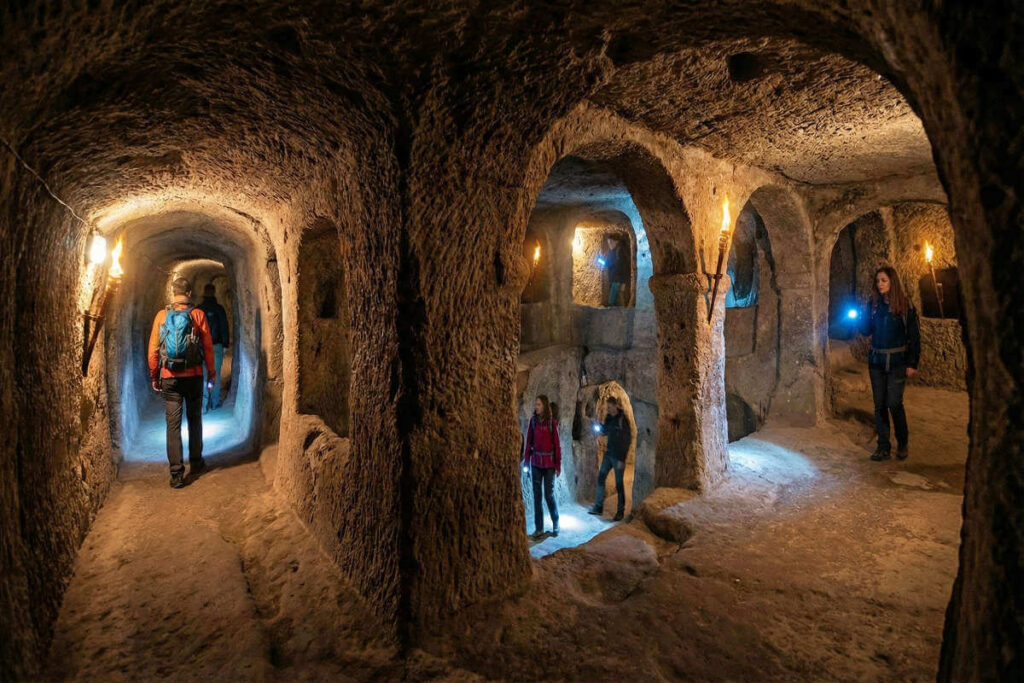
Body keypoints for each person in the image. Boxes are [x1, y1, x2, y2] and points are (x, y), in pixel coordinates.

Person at [149, 277, 216, 488]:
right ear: (189, 294)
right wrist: (212, 374)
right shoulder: (198, 315)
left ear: (172, 293)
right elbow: (207, 348)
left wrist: (154, 376)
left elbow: (152, 350)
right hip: (194, 375)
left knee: (173, 425)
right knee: (195, 420)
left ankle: (177, 473)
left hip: (170, 377)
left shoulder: (162, 316)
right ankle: (196, 462)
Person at [861, 266, 920, 462]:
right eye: (878, 281)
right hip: (876, 360)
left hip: (896, 362)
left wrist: (912, 363)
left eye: (884, 280)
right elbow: (866, 330)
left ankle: (902, 442)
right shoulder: (874, 305)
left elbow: (914, 336)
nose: (880, 284)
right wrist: (863, 315)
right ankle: (883, 446)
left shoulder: (905, 306)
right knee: (879, 405)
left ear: (892, 282)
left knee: (894, 403)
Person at [587, 396, 632, 520]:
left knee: (619, 484)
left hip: (618, 457)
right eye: (607, 407)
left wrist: (623, 459)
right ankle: (598, 507)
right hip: (609, 454)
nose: (608, 409)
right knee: (601, 478)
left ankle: (620, 511)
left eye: (610, 407)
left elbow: (628, 439)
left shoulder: (622, 419)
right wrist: (597, 426)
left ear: (616, 405)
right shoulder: (608, 418)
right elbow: (605, 431)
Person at [523, 395, 561, 539]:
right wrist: (526, 462)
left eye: (538, 404)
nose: (536, 407)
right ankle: (539, 528)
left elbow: (557, 445)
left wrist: (558, 465)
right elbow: (528, 443)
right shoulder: (533, 422)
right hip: (536, 464)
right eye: (535, 404)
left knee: (549, 495)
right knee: (537, 496)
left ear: (544, 406)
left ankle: (555, 523)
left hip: (549, 464)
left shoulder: (552, 423)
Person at [198, 283, 230, 411]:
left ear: (204, 293)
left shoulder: (198, 310)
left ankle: (204, 404)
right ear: (214, 292)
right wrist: (225, 344)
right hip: (216, 345)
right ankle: (215, 402)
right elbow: (224, 328)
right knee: (215, 374)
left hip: (201, 348)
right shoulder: (219, 309)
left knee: (204, 374)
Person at [599, 235, 629, 306]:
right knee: (619, 295)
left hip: (617, 278)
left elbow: (616, 264)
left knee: (612, 299)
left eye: (611, 242)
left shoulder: (618, 251)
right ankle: (622, 312)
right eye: (608, 242)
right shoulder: (616, 251)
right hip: (618, 278)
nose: (609, 244)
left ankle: (614, 311)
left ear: (616, 242)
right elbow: (612, 263)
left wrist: (603, 262)